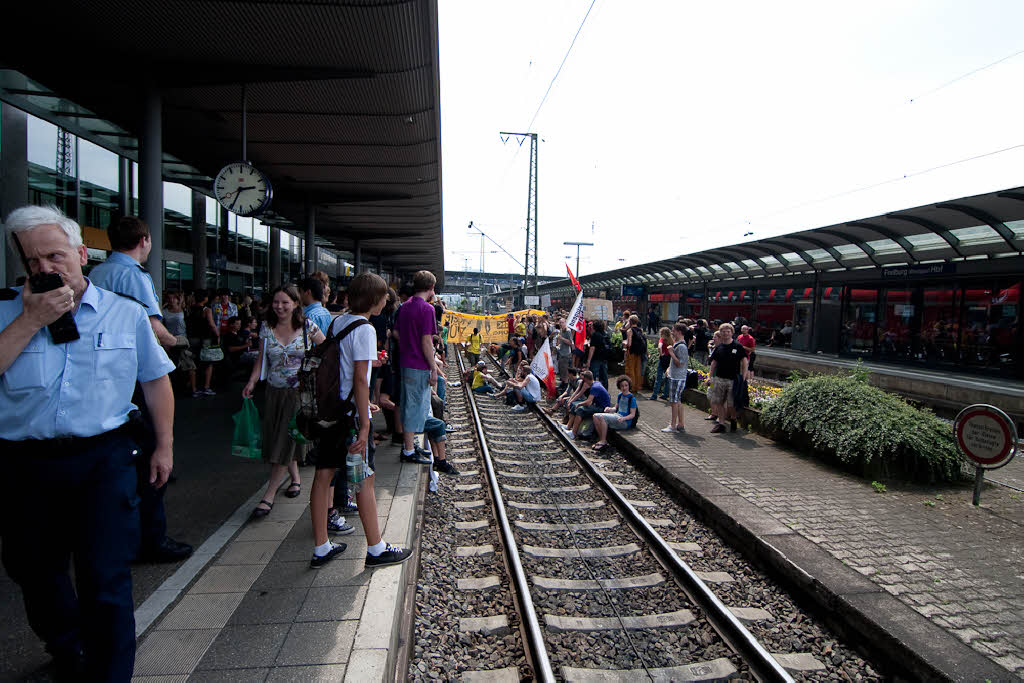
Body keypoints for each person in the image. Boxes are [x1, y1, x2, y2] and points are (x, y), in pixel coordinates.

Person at [0, 204, 176, 680]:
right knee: (34, 571)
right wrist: (29, 321)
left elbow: (156, 380)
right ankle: (65, 644)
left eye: (55, 256)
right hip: (25, 462)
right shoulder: (5, 311)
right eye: (33, 261)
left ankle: (111, 672)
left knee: (106, 577)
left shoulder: (125, 314)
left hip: (103, 458)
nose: (44, 269)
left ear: (81, 253)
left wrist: (165, 445)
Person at [88, 215, 192, 564]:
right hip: (137, 377)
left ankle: (114, 536)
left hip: (104, 378)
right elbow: (154, 327)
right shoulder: (134, 275)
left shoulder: (97, 274)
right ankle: (151, 538)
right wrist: (178, 342)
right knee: (151, 458)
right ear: (144, 241)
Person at [310, 273, 413, 568]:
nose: (385, 301)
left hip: (331, 411)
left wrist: (364, 391)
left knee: (323, 476)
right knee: (364, 480)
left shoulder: (338, 321)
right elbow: (358, 377)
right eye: (383, 296)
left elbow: (343, 370)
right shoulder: (366, 328)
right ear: (373, 298)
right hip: (350, 418)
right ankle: (376, 549)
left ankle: (321, 547)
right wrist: (365, 423)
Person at [242, 285, 326, 519]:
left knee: (283, 438)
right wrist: (251, 381)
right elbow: (261, 359)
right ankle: (296, 479)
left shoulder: (307, 327)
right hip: (274, 391)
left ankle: (268, 495)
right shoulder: (266, 328)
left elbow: (327, 350)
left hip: (299, 393)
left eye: (285, 303)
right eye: (276, 302)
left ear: (296, 304)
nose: (279, 307)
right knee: (282, 435)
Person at [395, 270, 457, 474]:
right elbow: (426, 341)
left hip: (405, 362)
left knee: (408, 404)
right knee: (416, 407)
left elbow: (395, 332)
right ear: (431, 288)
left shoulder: (404, 307)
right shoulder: (427, 309)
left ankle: (410, 446)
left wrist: (407, 344)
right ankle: (409, 450)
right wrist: (433, 367)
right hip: (419, 364)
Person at [708, 322, 748, 434]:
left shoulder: (737, 346)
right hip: (719, 378)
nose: (726, 334)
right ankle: (721, 424)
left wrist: (744, 375)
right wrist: (710, 376)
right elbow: (714, 362)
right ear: (720, 333)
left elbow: (744, 360)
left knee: (731, 404)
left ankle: (733, 419)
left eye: (728, 332)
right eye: (723, 332)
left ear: (732, 333)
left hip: (732, 379)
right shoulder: (719, 347)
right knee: (719, 401)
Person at [592, 375, 638, 451]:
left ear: (629, 386)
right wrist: (609, 409)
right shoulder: (620, 395)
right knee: (595, 416)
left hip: (625, 422)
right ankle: (602, 439)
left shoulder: (631, 398)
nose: (624, 388)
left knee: (602, 417)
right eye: (622, 386)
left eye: (626, 385)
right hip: (617, 416)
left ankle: (603, 441)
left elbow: (632, 414)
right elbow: (615, 408)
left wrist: (624, 418)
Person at [186, 289, 219, 397]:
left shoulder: (189, 308)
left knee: (193, 364)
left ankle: (194, 389)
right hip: (205, 339)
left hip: (192, 339)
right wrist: (218, 335)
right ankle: (206, 387)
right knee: (208, 363)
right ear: (205, 298)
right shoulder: (207, 310)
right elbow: (211, 324)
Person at [561, 370, 611, 440]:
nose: (583, 382)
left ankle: (573, 433)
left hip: (602, 407)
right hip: (597, 405)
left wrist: (579, 404)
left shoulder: (594, 387)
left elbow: (588, 402)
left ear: (586, 379)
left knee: (580, 409)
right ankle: (568, 426)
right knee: (576, 407)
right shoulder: (595, 383)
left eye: (584, 380)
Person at [663, 323, 690, 433]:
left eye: (673, 330)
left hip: (677, 378)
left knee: (674, 401)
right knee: (677, 401)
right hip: (675, 376)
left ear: (679, 332)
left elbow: (680, 363)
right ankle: (680, 424)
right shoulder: (678, 344)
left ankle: (673, 425)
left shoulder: (682, 346)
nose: (672, 332)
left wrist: (671, 353)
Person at [649, 326, 672, 401]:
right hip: (669, 359)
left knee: (658, 378)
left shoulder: (662, 339)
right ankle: (665, 394)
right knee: (667, 378)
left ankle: (654, 395)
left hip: (663, 359)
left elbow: (659, 347)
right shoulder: (672, 340)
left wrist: (661, 353)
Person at [623, 314, 645, 391]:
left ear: (630, 322)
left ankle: (631, 386)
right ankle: (637, 386)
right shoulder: (640, 330)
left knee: (630, 369)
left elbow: (629, 344)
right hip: (638, 352)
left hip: (631, 352)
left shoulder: (630, 330)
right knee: (637, 369)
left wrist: (625, 344)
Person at [586, 319, 611, 388]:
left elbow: (592, 348)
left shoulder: (595, 335)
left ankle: (592, 390)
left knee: (593, 376)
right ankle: (604, 390)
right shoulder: (606, 334)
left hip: (596, 358)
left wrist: (588, 360)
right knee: (604, 376)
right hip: (604, 358)